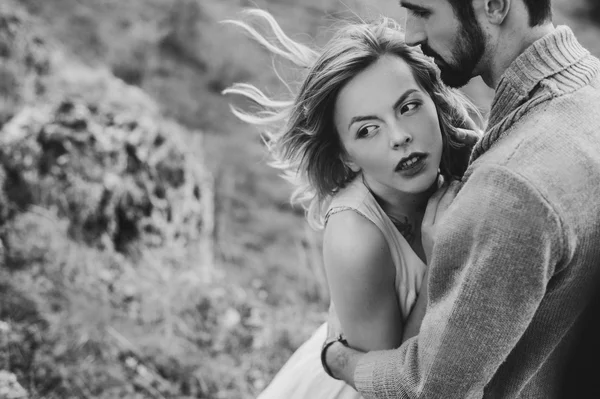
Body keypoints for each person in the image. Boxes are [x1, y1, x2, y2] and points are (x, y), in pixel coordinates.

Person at [322, 0, 600, 398]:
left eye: (423, 11)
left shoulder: (510, 186)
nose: (412, 34)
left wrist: (337, 361)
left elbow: (429, 388)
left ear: (495, 5)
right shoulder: (589, 89)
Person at [223, 9, 481, 398]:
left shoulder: (466, 157)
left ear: (434, 99)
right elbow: (390, 387)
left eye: (408, 106)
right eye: (367, 129)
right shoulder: (355, 236)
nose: (399, 137)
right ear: (345, 155)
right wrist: (439, 264)